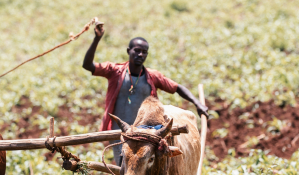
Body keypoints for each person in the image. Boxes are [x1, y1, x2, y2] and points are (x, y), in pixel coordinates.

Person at [82, 23, 209, 165]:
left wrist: (197, 104)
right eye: (137, 50)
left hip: (146, 133)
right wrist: (97, 39)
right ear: (128, 51)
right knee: (123, 167)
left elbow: (177, 87)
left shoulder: (152, 77)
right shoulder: (115, 72)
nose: (140, 54)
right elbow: (88, 65)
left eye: (144, 52)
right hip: (121, 132)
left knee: (144, 169)